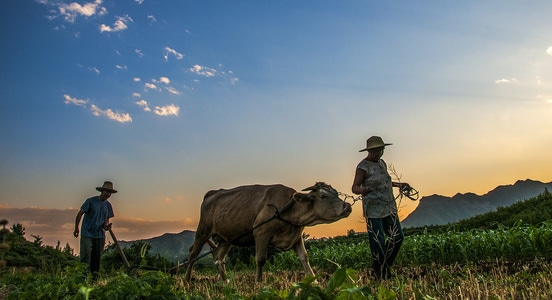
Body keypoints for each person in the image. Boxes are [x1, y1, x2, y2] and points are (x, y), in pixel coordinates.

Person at [351, 136, 410, 279]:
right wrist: (362, 191)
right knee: (378, 243)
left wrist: (399, 185)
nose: (380, 153)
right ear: (370, 151)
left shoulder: (382, 163)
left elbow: (386, 182)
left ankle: (384, 267)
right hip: (373, 211)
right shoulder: (362, 167)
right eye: (377, 151)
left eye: (381, 150)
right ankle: (380, 273)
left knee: (398, 237)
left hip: (389, 207)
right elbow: (354, 187)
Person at [74, 181, 117, 278]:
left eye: (110, 193)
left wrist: (106, 227)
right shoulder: (91, 201)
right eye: (107, 192)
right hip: (87, 234)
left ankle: (94, 280)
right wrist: (76, 228)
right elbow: (80, 213)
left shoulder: (108, 206)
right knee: (86, 257)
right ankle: (82, 279)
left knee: (96, 259)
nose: (108, 195)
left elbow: (106, 221)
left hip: (100, 236)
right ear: (102, 191)